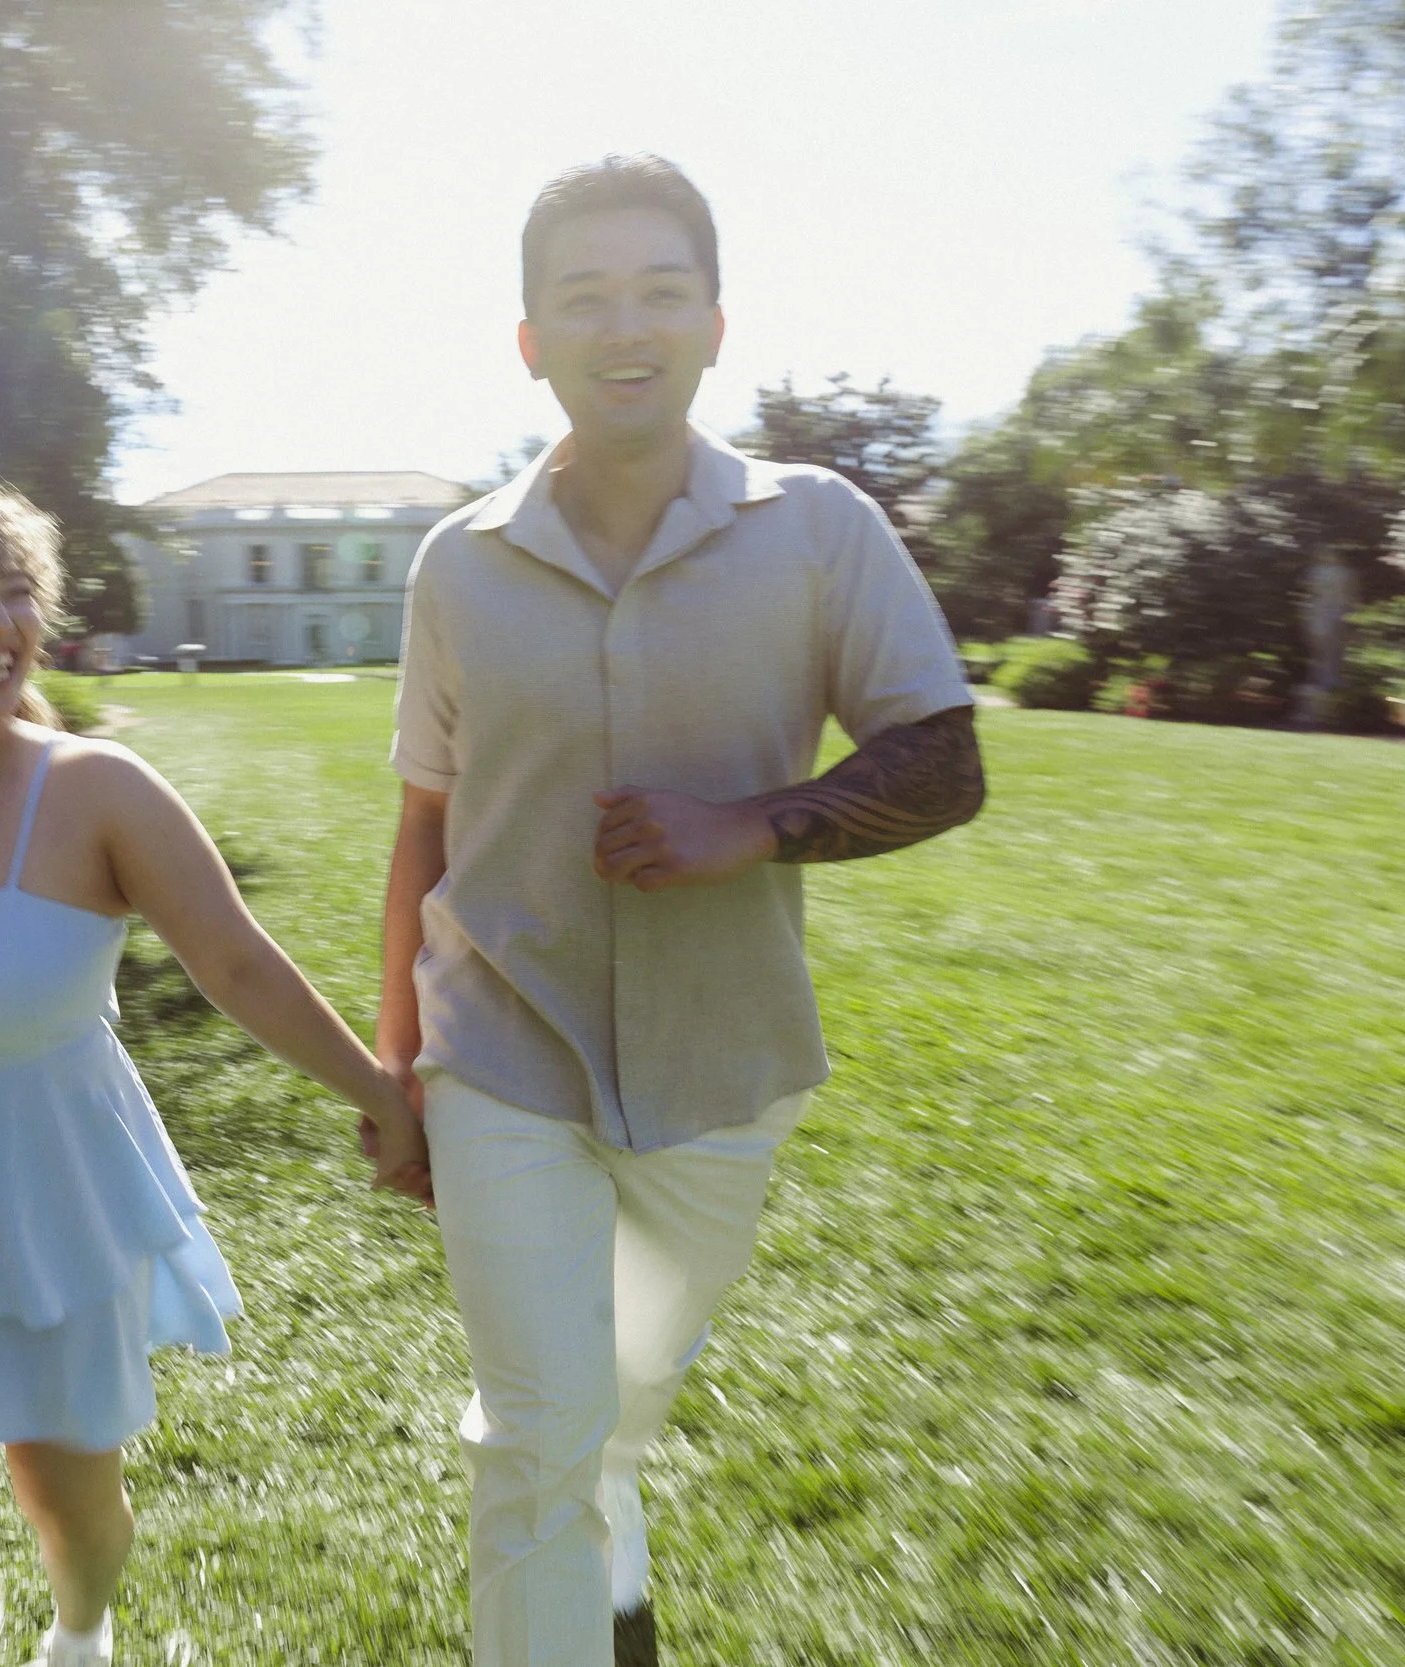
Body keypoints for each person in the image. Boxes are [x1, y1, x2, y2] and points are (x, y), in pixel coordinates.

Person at [378, 155, 987, 1666]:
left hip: (723, 1067)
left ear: (717, 323)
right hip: (499, 1048)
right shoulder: (460, 564)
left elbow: (946, 759)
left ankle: (609, 1486)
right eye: (583, 297)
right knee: (534, 1434)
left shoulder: (820, 527)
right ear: (530, 337)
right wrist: (398, 1064)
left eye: (659, 290)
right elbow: (423, 826)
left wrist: (750, 827)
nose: (624, 324)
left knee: (612, 1405)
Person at [0, 478, 428, 1667]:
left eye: (17, 590)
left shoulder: (97, 791)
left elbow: (236, 961)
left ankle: (82, 1625)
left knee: (76, 1508)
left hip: (55, 1188)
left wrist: (381, 1093)